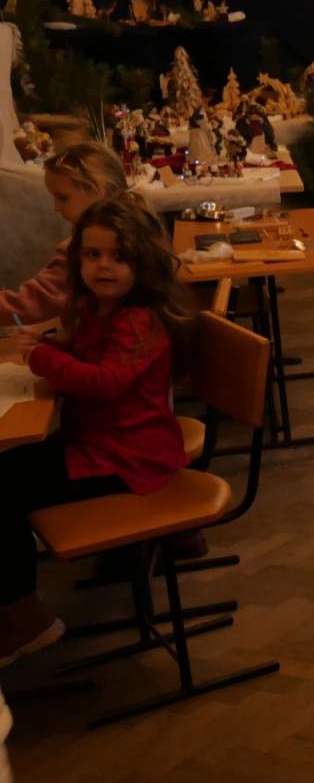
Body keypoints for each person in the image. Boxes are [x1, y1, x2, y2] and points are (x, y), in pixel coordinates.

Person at [2, 197, 192, 666]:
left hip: (127, 458)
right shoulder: (101, 308)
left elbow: (106, 382)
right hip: (98, 443)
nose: (103, 265)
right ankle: (19, 607)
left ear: (143, 262)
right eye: (92, 254)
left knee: (3, 487)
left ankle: (24, 618)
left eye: (119, 256)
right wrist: (53, 345)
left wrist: (42, 356)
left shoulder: (139, 319)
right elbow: (90, 357)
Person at [1, 141, 128, 323]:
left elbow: (34, 302)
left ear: (101, 191)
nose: (56, 207)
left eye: (63, 198)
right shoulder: (139, 230)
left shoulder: (85, 249)